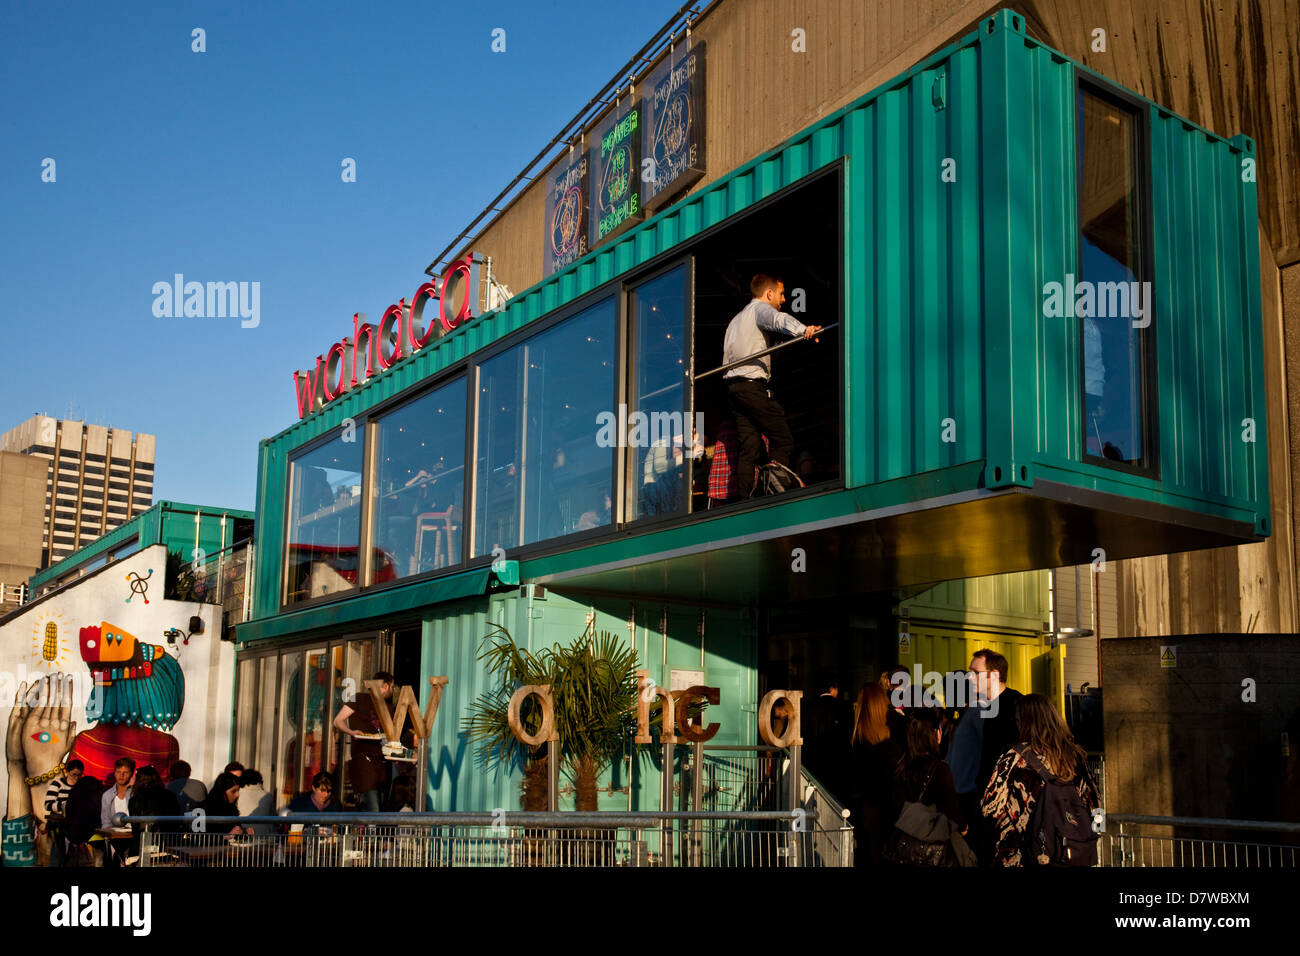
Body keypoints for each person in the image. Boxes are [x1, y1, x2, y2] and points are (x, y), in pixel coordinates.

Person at [721, 274, 823, 498]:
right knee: (782, 436)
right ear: (769, 293)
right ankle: (777, 494)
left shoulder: (735, 321)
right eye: (781, 293)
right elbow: (779, 320)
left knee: (749, 448)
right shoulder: (760, 310)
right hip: (751, 386)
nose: (784, 299)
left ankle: (744, 500)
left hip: (733, 389)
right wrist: (803, 330)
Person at [980, 694, 1099, 866]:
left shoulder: (1015, 757)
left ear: (1024, 721)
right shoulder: (1075, 756)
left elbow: (990, 807)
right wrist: (1091, 837)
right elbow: (1095, 803)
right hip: (1070, 853)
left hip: (1023, 855)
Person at [948, 649, 1022, 865]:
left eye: (976, 672)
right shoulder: (979, 708)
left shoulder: (1015, 706)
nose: (969, 677)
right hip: (977, 801)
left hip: (1004, 807)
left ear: (995, 675)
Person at [849, 684, 902, 866]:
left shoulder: (858, 734)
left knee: (871, 851)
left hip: (869, 805)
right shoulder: (896, 726)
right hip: (895, 803)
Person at [332, 671, 400, 811]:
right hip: (363, 760)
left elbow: (388, 735)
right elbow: (338, 720)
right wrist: (351, 732)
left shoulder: (388, 707)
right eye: (392, 687)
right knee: (373, 807)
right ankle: (370, 830)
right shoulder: (358, 698)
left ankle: (367, 831)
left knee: (380, 807)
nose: (392, 691)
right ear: (386, 686)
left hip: (381, 762)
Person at [891, 709, 964, 831]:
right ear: (936, 733)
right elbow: (952, 814)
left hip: (904, 840)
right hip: (932, 839)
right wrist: (965, 827)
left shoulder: (900, 767)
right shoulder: (940, 769)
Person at [801, 674, 854, 805]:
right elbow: (849, 734)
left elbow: (802, 732)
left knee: (815, 797)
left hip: (812, 759)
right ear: (833, 689)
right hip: (838, 761)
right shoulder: (844, 707)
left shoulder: (807, 707)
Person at [125, 765, 181, 861]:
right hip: (169, 844)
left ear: (139, 780)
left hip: (143, 846)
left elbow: (135, 826)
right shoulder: (170, 796)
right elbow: (175, 819)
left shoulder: (135, 800)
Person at [42, 758, 84, 868]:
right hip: (58, 822)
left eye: (79, 775)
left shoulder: (80, 787)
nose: (76, 777)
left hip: (74, 823)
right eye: (74, 774)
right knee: (58, 850)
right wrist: (66, 805)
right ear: (67, 772)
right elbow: (48, 804)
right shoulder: (58, 784)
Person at [98, 757, 135, 866]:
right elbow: (105, 821)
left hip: (133, 839)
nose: (121, 775)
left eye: (125, 772)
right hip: (114, 840)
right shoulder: (107, 795)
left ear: (131, 774)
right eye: (118, 772)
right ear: (114, 773)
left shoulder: (135, 793)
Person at [235, 769, 275, 834]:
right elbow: (273, 817)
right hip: (264, 837)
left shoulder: (237, 794)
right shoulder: (268, 796)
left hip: (241, 837)